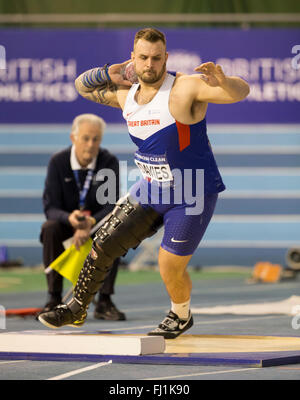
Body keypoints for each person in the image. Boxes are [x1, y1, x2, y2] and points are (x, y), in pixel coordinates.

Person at [38, 28, 249, 338]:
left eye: (157, 58)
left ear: (166, 58)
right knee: (102, 245)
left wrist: (225, 82)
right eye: (143, 58)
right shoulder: (126, 95)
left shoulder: (184, 88)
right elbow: (81, 86)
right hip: (151, 187)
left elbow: (239, 92)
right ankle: (76, 308)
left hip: (191, 191)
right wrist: (107, 72)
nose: (150, 64)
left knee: (168, 266)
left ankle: (180, 314)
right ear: (133, 59)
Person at [39, 113, 126, 321]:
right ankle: (54, 298)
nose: (90, 144)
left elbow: (111, 205)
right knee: (49, 227)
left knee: (115, 229)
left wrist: (90, 223)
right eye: (85, 138)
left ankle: (104, 301)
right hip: (67, 223)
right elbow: (50, 207)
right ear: (73, 138)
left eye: (96, 139)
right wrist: (70, 218)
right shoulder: (58, 162)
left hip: (96, 225)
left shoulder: (108, 162)